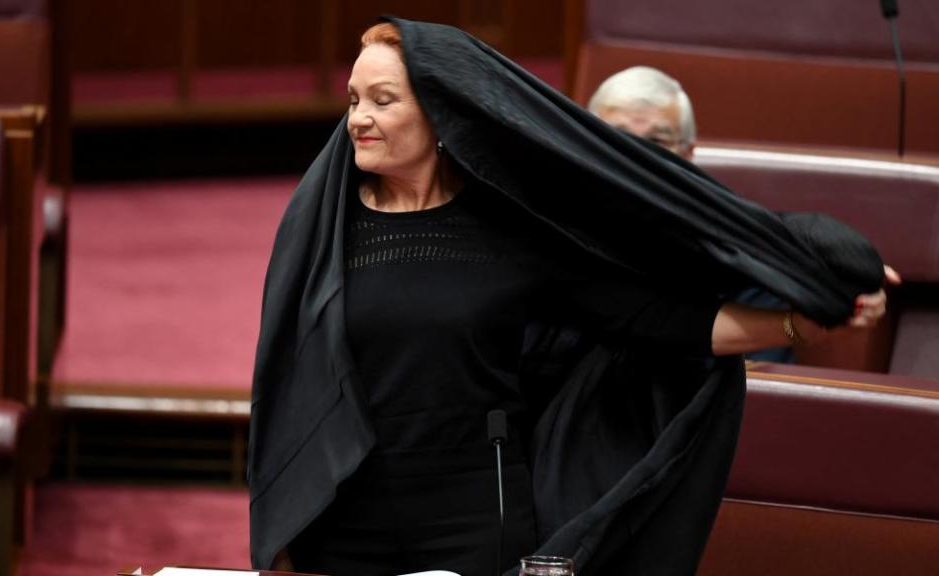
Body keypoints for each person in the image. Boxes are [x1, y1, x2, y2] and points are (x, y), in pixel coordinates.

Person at [249, 19, 894, 576]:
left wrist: (796, 320)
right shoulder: (323, 229)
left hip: (475, 517)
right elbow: (287, 386)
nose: (358, 118)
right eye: (355, 98)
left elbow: (665, 322)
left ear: (443, 113)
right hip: (342, 515)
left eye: (383, 100)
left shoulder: (515, 229)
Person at [588, 66, 819, 363]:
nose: (638, 156)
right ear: (588, 145)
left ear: (687, 154)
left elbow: (757, 385)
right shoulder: (555, 231)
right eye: (618, 137)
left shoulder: (739, 248)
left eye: (657, 142)